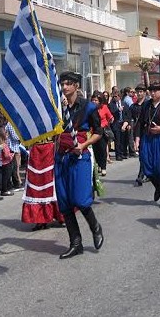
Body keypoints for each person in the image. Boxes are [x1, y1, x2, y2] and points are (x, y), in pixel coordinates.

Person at [55, 71, 104, 259]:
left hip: (80, 156)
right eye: (63, 83)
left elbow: (99, 132)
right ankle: (76, 243)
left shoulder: (88, 107)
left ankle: (95, 227)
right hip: (61, 157)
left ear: (76, 86)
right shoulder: (58, 107)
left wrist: (83, 145)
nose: (65, 87)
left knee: (81, 199)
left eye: (69, 83)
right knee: (65, 202)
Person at [91, 92, 113, 176]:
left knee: (102, 149)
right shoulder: (90, 109)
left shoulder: (104, 107)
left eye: (96, 100)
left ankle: (103, 167)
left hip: (102, 131)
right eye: (93, 100)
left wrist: (106, 124)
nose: (94, 101)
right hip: (93, 132)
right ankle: (99, 165)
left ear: (100, 101)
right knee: (96, 150)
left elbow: (110, 117)